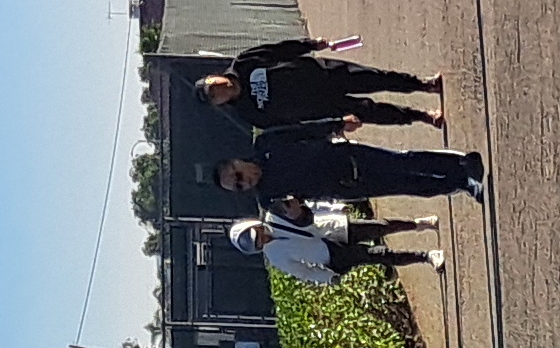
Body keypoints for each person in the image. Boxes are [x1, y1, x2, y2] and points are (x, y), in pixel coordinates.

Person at [198, 42, 444, 131]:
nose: (218, 91)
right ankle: (422, 116)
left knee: (376, 78)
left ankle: (423, 85)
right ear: (218, 104)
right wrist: (331, 127)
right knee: (370, 112)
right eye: (214, 97)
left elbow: (279, 50)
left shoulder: (243, 63)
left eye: (213, 86)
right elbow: (291, 126)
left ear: (214, 77)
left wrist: (310, 45)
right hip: (322, 107)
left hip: (323, 73)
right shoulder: (249, 114)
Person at [214, 140, 481, 206]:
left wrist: (337, 124)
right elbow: (302, 219)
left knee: (403, 161)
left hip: (346, 156)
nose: (244, 182)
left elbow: (300, 131)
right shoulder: (268, 197)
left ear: (238, 162)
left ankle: (460, 164)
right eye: (239, 187)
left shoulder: (265, 145)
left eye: (238, 175)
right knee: (409, 186)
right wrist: (299, 213)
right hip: (346, 186)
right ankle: (460, 184)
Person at [228, 210, 438, 281]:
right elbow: (303, 272)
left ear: (255, 224)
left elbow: (307, 209)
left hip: (334, 227)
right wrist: (328, 277)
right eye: (257, 244)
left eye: (257, 234)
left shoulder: (276, 215)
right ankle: (426, 256)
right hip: (333, 256)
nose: (261, 240)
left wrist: (333, 207)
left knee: (381, 227)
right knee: (377, 255)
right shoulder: (275, 257)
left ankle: (418, 224)